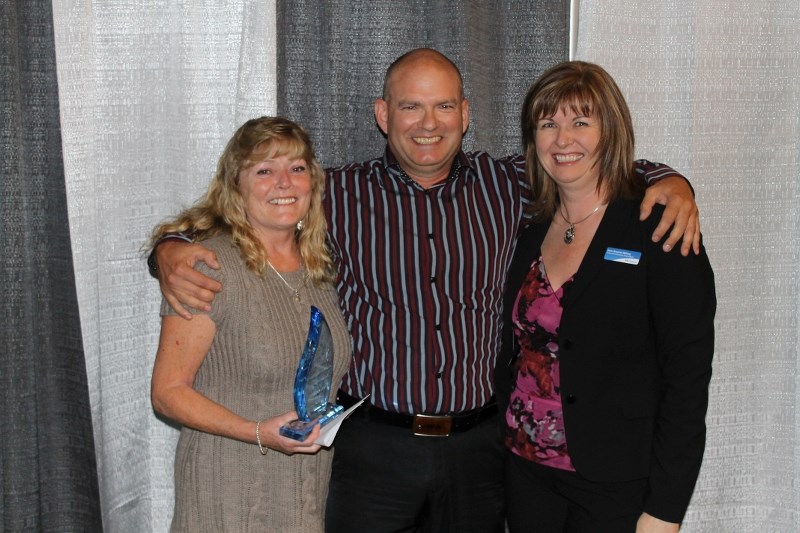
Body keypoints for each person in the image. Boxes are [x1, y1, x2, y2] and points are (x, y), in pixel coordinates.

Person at [151, 49, 700, 532]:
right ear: (383, 115)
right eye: (411, 106)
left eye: (443, 106)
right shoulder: (336, 194)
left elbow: (589, 166)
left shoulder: (509, 186)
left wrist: (671, 181)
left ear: (465, 114)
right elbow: (249, 209)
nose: (428, 123)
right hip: (372, 451)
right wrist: (170, 248)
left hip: (482, 452)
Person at [495, 61, 715, 533]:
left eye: (580, 122)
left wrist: (665, 510)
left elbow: (688, 381)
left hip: (616, 483)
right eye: (548, 124)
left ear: (610, 131)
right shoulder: (529, 229)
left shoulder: (659, 229)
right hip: (525, 471)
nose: (562, 138)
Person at [149, 117, 351, 532]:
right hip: (226, 492)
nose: (283, 182)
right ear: (236, 187)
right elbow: (167, 394)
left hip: (304, 491)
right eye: (264, 170)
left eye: (296, 168)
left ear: (312, 182)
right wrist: (256, 431)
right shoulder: (207, 266)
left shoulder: (320, 269)